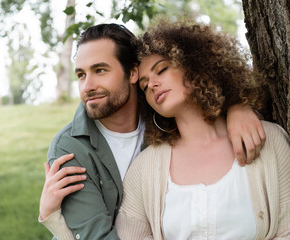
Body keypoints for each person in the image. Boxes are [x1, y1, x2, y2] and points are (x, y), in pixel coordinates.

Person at [39, 23, 267, 239]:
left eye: (100, 70)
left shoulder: (163, 111)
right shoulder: (70, 147)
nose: (87, 86)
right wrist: (55, 221)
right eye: (81, 75)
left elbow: (201, 97)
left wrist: (238, 106)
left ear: (132, 73)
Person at [115, 19, 290, 239]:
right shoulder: (143, 170)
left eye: (161, 70)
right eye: (144, 85)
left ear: (195, 64)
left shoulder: (269, 140)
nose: (152, 84)